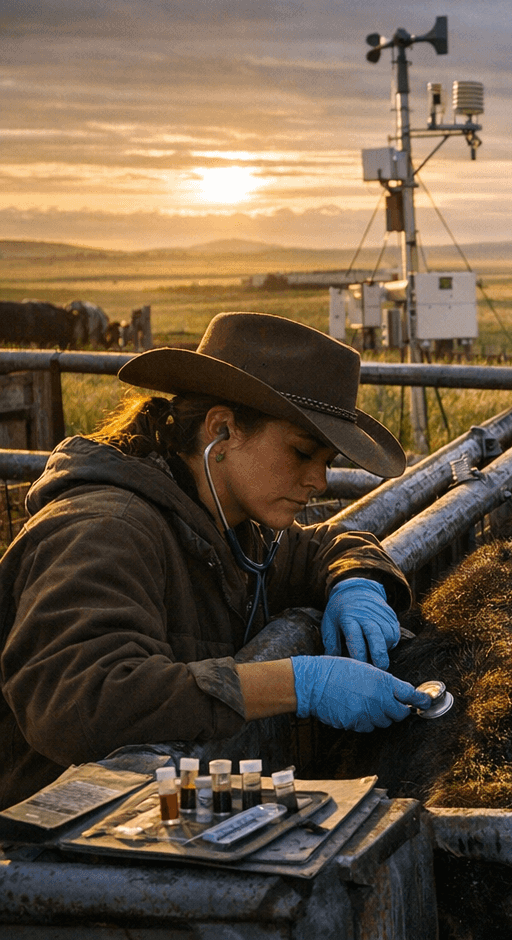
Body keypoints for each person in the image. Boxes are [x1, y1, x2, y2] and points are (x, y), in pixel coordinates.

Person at [0, 312, 433, 808]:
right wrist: (299, 683)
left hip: (144, 829)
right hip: (48, 850)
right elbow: (84, 698)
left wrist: (357, 581)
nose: (320, 481)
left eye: (327, 462)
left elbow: (323, 546)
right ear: (222, 430)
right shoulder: (105, 529)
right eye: (302, 452)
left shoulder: (233, 528)